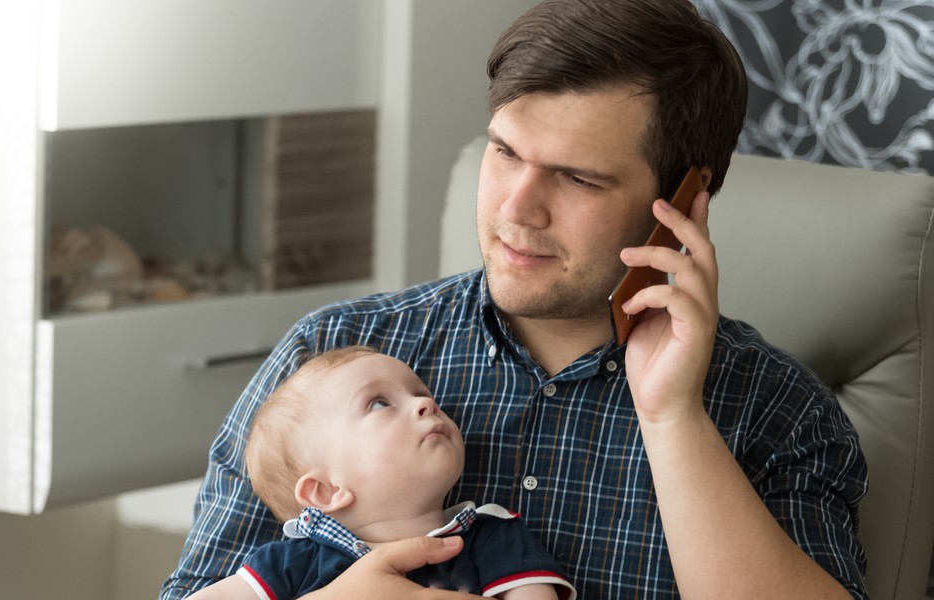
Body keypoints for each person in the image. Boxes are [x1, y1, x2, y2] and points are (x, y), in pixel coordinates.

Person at [162, 0, 869, 598]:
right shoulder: (328, 360)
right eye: (504, 152)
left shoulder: (778, 410)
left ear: (682, 201)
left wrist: (672, 418)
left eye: (578, 178)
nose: (517, 210)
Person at [185, 346, 576, 600]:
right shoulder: (294, 562)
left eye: (421, 392)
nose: (425, 404)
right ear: (325, 490)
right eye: (377, 403)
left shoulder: (491, 536)